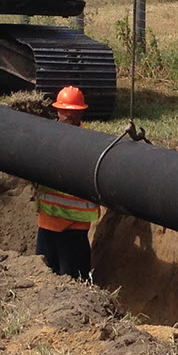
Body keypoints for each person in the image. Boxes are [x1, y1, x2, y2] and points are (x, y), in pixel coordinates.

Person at [34, 86, 102, 279]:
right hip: (53, 220)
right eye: (67, 112)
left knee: (70, 278)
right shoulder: (48, 138)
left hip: (73, 224)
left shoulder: (89, 143)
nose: (68, 116)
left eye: (72, 112)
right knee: (47, 275)